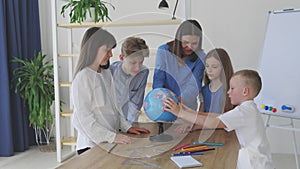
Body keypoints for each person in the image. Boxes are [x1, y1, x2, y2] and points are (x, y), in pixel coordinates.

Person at [164, 69, 274, 169]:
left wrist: (180, 113)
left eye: (232, 88)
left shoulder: (244, 111)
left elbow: (214, 122)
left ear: (245, 91)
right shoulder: (248, 108)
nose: (228, 92)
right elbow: (216, 116)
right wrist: (187, 110)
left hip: (255, 164)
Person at [71, 27, 150, 155]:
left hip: (109, 142)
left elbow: (116, 107)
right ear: (92, 49)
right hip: (90, 146)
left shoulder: (106, 73)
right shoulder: (83, 78)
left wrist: (126, 127)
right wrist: (112, 137)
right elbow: (82, 120)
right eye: (107, 50)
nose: (110, 55)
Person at [153, 19, 206, 110]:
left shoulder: (201, 57)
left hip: (186, 108)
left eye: (194, 43)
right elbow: (158, 79)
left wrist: (179, 100)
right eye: (185, 42)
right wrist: (163, 99)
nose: (189, 47)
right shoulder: (163, 51)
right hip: (163, 104)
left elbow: (194, 85)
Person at [110, 37, 149, 124]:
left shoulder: (143, 73)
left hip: (128, 122)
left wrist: (129, 127)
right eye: (133, 63)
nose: (138, 68)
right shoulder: (110, 72)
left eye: (141, 62)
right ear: (121, 58)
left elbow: (136, 104)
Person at [199, 48, 234, 114]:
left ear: (224, 67)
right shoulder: (204, 90)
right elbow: (200, 114)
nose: (209, 70)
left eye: (214, 67)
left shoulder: (228, 90)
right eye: (207, 66)